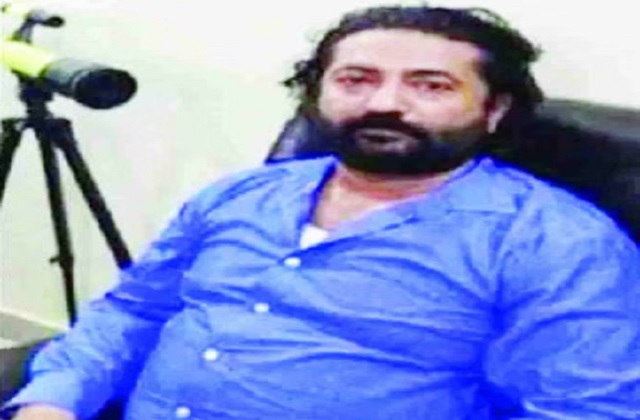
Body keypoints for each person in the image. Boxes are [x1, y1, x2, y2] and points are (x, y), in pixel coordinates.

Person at [4, 5, 640, 420]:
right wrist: (51, 404)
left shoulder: (554, 244)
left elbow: (580, 409)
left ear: (494, 110)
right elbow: (133, 312)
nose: (385, 104)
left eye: (431, 85)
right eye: (356, 80)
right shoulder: (241, 196)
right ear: (315, 95)